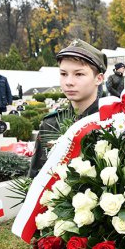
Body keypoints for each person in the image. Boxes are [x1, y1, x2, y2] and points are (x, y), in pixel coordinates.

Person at [29, 39, 107, 178]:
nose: (69, 82)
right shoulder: (51, 124)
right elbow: (35, 178)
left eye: (79, 74)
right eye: (63, 74)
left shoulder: (111, 122)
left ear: (99, 79)